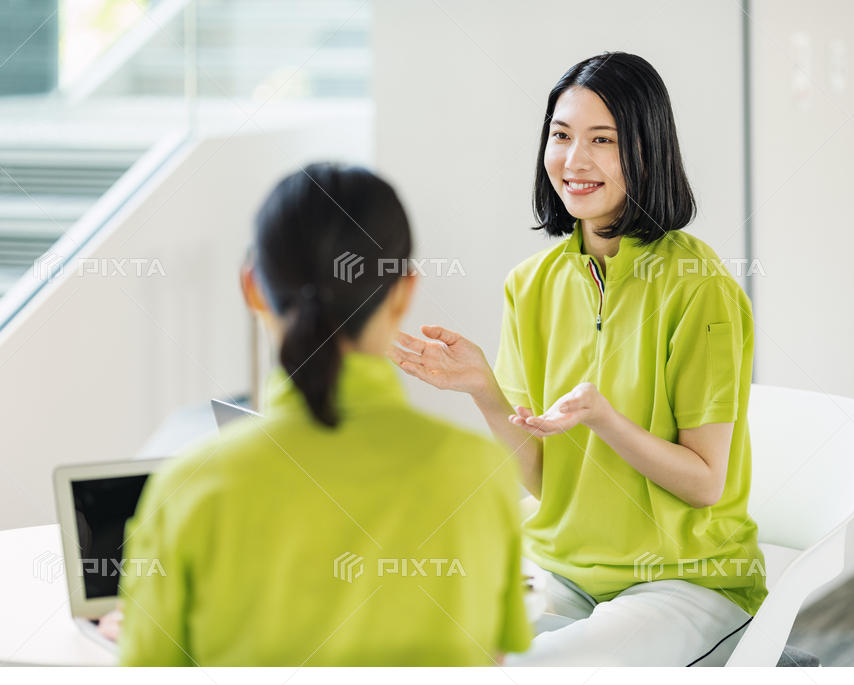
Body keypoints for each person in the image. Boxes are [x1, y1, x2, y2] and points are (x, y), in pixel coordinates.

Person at [390, 52, 767, 666]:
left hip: (681, 579)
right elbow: (546, 480)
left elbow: (704, 483)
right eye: (562, 136)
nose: (574, 160)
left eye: (603, 140)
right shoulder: (530, 284)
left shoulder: (699, 286)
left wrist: (605, 420)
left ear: (647, 150)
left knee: (536, 670)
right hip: (560, 566)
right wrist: (484, 389)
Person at [116, 164, 532, 665]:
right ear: (404, 291)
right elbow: (491, 659)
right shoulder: (480, 475)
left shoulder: (188, 488)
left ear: (252, 288)